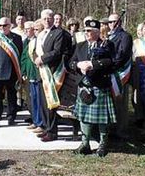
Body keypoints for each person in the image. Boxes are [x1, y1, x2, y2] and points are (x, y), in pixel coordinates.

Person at [70, 19, 116, 156]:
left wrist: (92, 64)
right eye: (85, 31)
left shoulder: (107, 45)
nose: (86, 33)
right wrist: (78, 65)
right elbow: (70, 62)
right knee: (83, 117)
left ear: (97, 32)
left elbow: (110, 62)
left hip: (99, 85)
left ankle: (103, 144)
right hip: (84, 86)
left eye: (89, 31)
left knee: (102, 119)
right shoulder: (80, 46)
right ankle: (85, 144)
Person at [34, 9, 73, 142]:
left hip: (53, 72)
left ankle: (52, 132)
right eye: (44, 18)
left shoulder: (59, 33)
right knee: (44, 104)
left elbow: (57, 52)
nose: (47, 20)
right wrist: (37, 59)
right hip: (41, 72)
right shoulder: (41, 34)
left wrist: (42, 59)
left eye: (49, 18)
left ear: (53, 18)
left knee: (51, 103)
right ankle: (46, 127)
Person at [0, 17, 23, 129]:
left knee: (12, 97)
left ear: (10, 26)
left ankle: (11, 118)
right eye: (0, 26)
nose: (2, 28)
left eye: (4, 25)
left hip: (13, 72)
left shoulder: (17, 38)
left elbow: (19, 55)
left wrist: (19, 72)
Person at [107, 13, 133, 139]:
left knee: (121, 103)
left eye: (114, 22)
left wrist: (110, 65)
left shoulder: (125, 36)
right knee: (111, 103)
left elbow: (122, 55)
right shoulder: (108, 36)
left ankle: (121, 131)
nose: (112, 24)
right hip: (108, 74)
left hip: (120, 74)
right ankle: (111, 128)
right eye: (110, 22)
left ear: (120, 22)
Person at [21, 21, 44, 133]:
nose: (27, 31)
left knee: (39, 100)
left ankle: (40, 122)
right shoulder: (28, 41)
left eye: (36, 30)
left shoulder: (40, 41)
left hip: (38, 74)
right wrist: (23, 72)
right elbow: (24, 58)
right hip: (30, 74)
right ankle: (35, 121)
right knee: (33, 100)